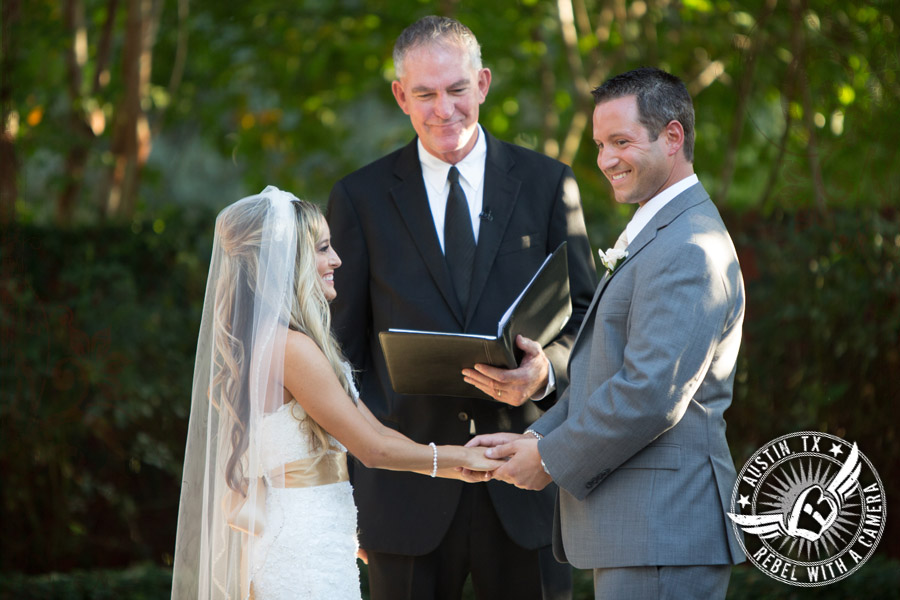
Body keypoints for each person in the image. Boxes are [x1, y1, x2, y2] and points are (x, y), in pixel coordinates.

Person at [326, 15, 597, 600]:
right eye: (424, 93)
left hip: (528, 484)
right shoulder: (359, 198)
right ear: (400, 95)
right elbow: (340, 358)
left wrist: (546, 369)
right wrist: (346, 495)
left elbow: (589, 324)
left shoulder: (549, 185)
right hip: (402, 494)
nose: (443, 109)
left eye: (456, 89)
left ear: (483, 84)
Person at [468, 67, 746, 599]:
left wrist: (548, 461)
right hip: (641, 534)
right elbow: (609, 373)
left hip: (663, 530)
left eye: (621, 141)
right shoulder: (660, 231)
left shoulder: (689, 247)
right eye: (600, 144)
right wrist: (534, 438)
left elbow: (648, 393)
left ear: (672, 136)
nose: (605, 160)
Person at [170, 186, 502, 600]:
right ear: (288, 260)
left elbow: (378, 433)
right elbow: (372, 450)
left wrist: (466, 464)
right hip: (302, 543)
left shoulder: (281, 343)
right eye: (323, 248)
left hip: (318, 532)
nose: (336, 260)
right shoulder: (291, 348)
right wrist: (459, 456)